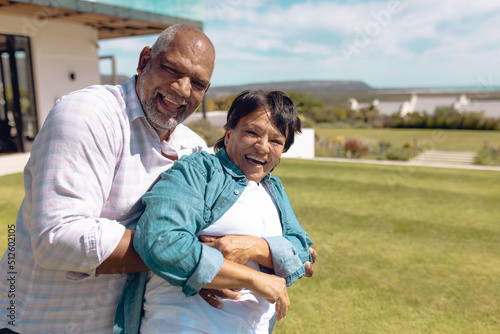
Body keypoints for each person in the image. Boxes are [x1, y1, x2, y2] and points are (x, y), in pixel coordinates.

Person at [0, 25, 316, 333]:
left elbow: (285, 253)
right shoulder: (89, 114)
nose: (181, 89)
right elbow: (57, 238)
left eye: (198, 83)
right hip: (38, 321)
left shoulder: (191, 146)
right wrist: (194, 260)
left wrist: (208, 264)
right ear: (144, 60)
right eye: (170, 69)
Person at [117, 90, 313, 334]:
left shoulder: (273, 189)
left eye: (276, 141)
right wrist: (251, 277)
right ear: (229, 133)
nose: (262, 147)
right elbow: (161, 242)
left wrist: (255, 248)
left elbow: (302, 250)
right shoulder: (199, 172)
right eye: (252, 132)